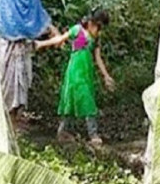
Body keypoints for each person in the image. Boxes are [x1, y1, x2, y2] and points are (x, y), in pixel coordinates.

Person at [0, 0, 58, 127]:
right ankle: (1, 122)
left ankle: (15, 120)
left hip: (22, 48)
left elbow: (37, 13)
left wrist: (53, 30)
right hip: (5, 46)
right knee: (4, 84)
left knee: (21, 85)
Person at [35, 9, 114, 146]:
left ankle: (91, 133)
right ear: (91, 22)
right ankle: (66, 131)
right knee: (70, 99)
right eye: (97, 26)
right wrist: (41, 44)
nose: (98, 29)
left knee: (87, 99)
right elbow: (60, 39)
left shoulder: (96, 38)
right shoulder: (77, 30)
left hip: (86, 72)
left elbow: (98, 58)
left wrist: (106, 76)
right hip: (74, 71)